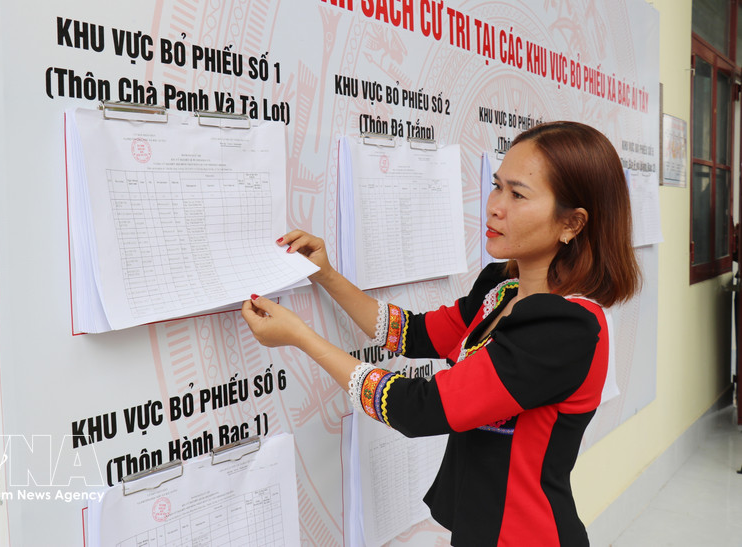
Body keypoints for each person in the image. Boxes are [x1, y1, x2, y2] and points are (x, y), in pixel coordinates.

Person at [241, 121, 641, 546]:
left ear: (573, 224)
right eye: (496, 186)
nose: (494, 207)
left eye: (518, 194)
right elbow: (411, 334)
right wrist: (325, 274)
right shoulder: (500, 288)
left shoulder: (567, 328)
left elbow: (419, 410)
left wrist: (302, 338)